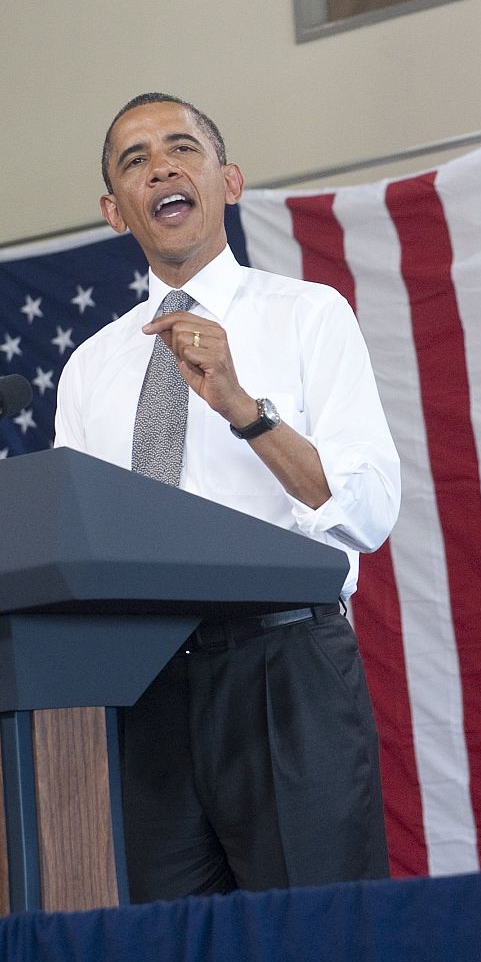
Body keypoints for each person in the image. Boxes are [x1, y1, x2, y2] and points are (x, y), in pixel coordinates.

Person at [54, 93, 400, 901]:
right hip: (145, 686)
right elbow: (75, 543)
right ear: (115, 211)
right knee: (169, 956)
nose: (161, 167)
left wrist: (244, 409)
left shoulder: (309, 317)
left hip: (283, 672)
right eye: (135, 161)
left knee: (317, 944)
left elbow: (370, 512)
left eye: (182, 149)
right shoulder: (89, 368)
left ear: (229, 180)